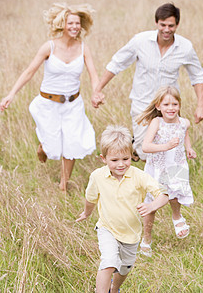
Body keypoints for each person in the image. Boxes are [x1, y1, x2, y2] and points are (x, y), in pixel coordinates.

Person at [0, 3, 99, 191]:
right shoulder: (49, 47)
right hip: (48, 104)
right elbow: (29, 72)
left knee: (71, 144)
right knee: (52, 148)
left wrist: (96, 92)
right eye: (70, 23)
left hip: (73, 104)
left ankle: (63, 185)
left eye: (77, 23)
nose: (74, 27)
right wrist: (11, 94)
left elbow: (93, 73)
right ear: (63, 24)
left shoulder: (84, 48)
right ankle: (43, 146)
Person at [92, 2, 203, 162]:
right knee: (144, 148)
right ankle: (137, 149)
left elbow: (198, 76)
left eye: (171, 26)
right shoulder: (141, 41)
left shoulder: (185, 47)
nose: (166, 30)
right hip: (142, 102)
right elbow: (117, 63)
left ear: (177, 25)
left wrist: (201, 105)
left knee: (167, 148)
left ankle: (159, 184)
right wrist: (98, 89)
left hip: (168, 105)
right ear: (156, 23)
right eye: (163, 25)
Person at [76, 125, 169, 293]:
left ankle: (114, 288)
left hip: (131, 234)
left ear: (132, 156)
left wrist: (151, 205)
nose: (121, 164)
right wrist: (87, 213)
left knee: (125, 268)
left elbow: (163, 193)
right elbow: (91, 199)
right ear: (103, 159)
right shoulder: (97, 176)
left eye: (125, 159)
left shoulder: (138, 176)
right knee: (109, 262)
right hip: (107, 228)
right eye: (114, 160)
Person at [135, 86, 196, 257]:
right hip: (157, 167)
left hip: (177, 165)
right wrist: (165, 146)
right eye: (166, 104)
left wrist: (189, 148)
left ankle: (177, 217)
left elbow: (185, 134)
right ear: (158, 106)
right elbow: (146, 146)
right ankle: (147, 238)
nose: (171, 108)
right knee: (152, 205)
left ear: (180, 105)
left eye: (175, 104)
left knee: (174, 194)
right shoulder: (157, 123)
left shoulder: (184, 122)